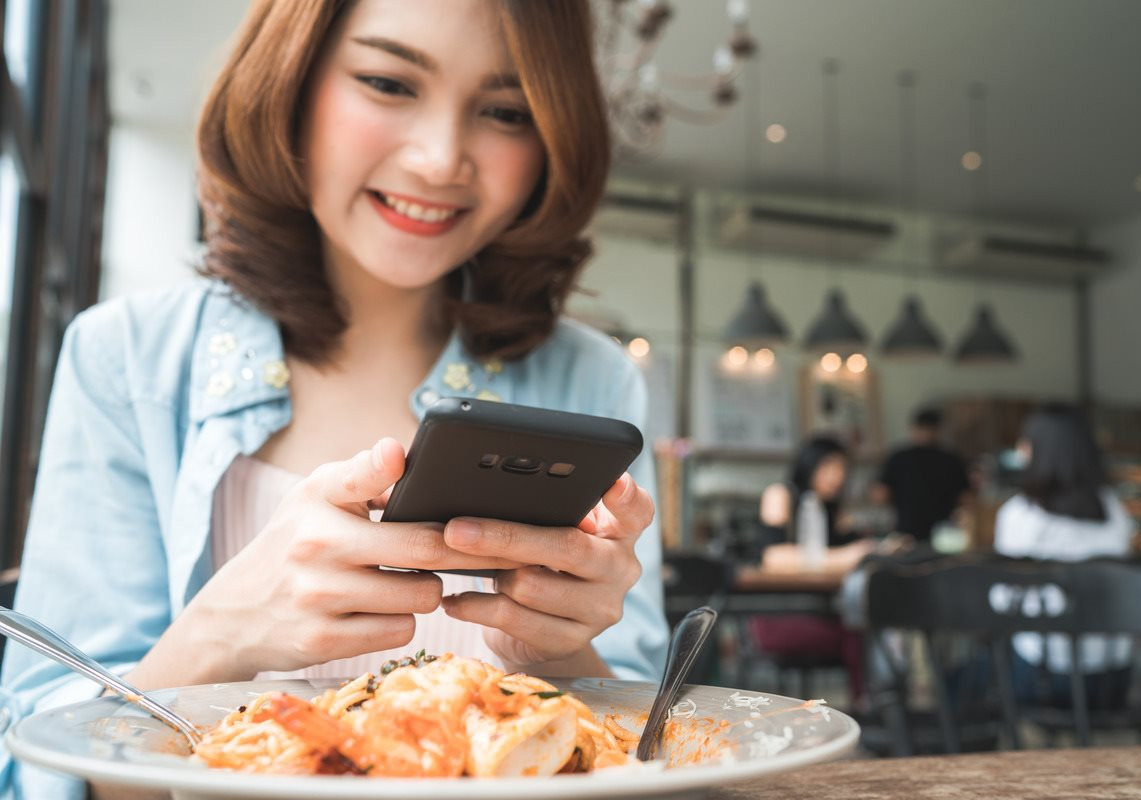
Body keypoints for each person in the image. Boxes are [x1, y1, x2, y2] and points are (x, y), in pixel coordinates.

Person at [0, 2, 668, 797]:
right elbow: (41, 770)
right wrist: (226, 630)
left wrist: (556, 648)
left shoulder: (594, 381)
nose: (438, 159)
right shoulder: (127, 360)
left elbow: (649, 748)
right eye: (388, 82)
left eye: (504, 111)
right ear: (291, 82)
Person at [993, 403, 1135, 707]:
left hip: (1043, 678)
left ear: (1035, 450)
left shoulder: (1019, 515)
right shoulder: (1115, 511)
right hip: (1113, 678)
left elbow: (1004, 600)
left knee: (982, 668)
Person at [751, 436, 868, 701]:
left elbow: (853, 547)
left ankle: (871, 707)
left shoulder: (831, 509)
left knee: (867, 624)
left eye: (842, 469)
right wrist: (847, 555)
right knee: (861, 632)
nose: (836, 476)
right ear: (810, 464)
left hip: (818, 612)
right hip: (778, 616)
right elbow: (773, 557)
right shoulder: (781, 494)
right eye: (829, 467)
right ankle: (869, 708)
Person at [873, 407, 970, 543]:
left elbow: (880, 495)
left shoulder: (899, 457)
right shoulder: (951, 458)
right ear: (938, 430)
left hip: (910, 531)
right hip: (941, 533)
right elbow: (965, 499)